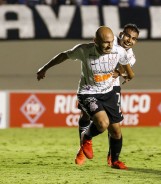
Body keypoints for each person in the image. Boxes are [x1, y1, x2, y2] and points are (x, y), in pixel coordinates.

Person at [37, 26, 135, 169]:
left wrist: (122, 74)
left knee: (116, 131)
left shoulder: (119, 51)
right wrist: (44, 69)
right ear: (95, 41)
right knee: (101, 123)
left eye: (111, 42)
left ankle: (114, 161)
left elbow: (130, 73)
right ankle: (86, 138)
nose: (109, 45)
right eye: (105, 42)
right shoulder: (84, 50)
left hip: (108, 93)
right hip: (88, 92)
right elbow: (63, 55)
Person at [75, 24, 139, 167]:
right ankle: (82, 147)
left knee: (113, 124)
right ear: (121, 34)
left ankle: (112, 157)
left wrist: (123, 73)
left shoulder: (130, 56)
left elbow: (119, 72)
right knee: (85, 115)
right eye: (128, 36)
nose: (129, 40)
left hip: (112, 86)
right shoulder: (109, 40)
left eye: (134, 39)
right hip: (91, 86)